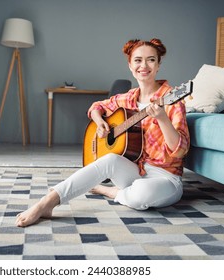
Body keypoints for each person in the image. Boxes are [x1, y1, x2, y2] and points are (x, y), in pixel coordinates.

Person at [15, 38, 190, 227]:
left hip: (164, 177)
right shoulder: (127, 99)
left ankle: (110, 191)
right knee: (108, 160)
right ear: (130, 66)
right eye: (138, 60)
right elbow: (96, 107)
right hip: (135, 171)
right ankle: (47, 202)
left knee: (141, 194)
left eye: (151, 60)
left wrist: (162, 119)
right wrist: (99, 122)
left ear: (158, 65)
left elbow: (180, 151)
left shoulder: (172, 100)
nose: (144, 65)